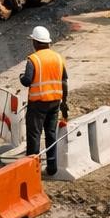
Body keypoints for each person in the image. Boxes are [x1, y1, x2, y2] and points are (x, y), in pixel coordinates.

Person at [20, 26, 68, 176]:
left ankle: (32, 169)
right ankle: (52, 166)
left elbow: (27, 80)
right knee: (51, 133)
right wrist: (64, 102)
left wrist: (21, 77)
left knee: (34, 135)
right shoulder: (58, 58)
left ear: (35, 42)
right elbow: (64, 81)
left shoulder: (33, 59)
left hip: (38, 103)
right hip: (55, 101)